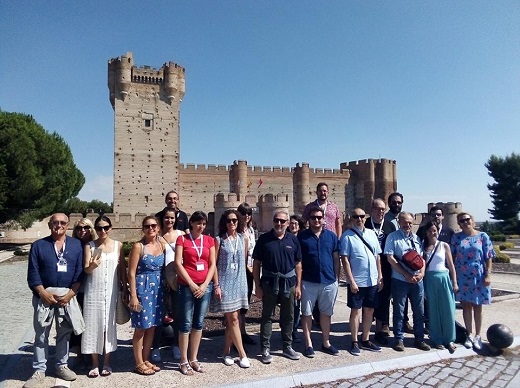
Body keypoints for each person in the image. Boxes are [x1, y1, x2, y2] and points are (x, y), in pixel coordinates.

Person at [25, 213, 84, 388]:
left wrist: (70, 295)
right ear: (50, 224)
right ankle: (39, 370)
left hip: (66, 297)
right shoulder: (38, 246)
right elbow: (33, 273)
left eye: (63, 222)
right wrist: (42, 293)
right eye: (55, 222)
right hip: (44, 296)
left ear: (68, 225)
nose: (59, 225)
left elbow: (80, 272)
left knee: (64, 334)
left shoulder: (76, 245)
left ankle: (61, 366)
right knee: (41, 334)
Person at [253, 210, 302, 364]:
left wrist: (298, 285)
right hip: (269, 283)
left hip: (289, 284)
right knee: (267, 316)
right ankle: (265, 349)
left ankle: (287, 347)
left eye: (282, 221)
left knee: (288, 316)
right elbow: (256, 263)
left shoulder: (293, 240)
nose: (279, 223)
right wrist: (257, 286)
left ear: (288, 223)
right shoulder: (264, 239)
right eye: (276, 220)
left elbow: (298, 264)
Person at [81, 215, 126, 377]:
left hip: (112, 292)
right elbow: (86, 269)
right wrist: (92, 265)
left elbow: (121, 269)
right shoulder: (90, 246)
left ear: (111, 228)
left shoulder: (118, 246)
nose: (103, 231)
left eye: (106, 227)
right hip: (93, 292)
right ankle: (94, 364)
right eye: (99, 228)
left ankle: (107, 362)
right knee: (93, 326)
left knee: (109, 326)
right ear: (96, 229)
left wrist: (125, 290)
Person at [173, 211, 216, 375]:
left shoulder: (209, 240)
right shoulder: (182, 239)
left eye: (204, 224)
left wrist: (205, 285)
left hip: (204, 287)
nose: (201, 226)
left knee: (198, 323)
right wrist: (191, 284)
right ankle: (183, 360)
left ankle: (194, 358)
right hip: (186, 286)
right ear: (191, 223)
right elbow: (178, 263)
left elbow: (212, 264)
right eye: (198, 223)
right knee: (185, 323)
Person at [384, 212, 430, 352]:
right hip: (400, 280)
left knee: (419, 311)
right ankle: (398, 339)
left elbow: (422, 258)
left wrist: (421, 273)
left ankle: (419, 339)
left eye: (410, 222)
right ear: (399, 222)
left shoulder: (416, 238)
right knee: (399, 310)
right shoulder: (393, 238)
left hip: (417, 280)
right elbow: (390, 258)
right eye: (405, 222)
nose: (407, 225)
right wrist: (405, 274)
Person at [210, 210, 251, 368]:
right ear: (224, 223)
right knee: (234, 319)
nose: (232, 223)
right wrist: (216, 285)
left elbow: (244, 260)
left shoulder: (243, 238)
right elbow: (213, 264)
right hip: (225, 284)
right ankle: (242, 354)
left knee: (231, 320)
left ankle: (226, 352)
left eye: (234, 220)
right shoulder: (219, 240)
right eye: (228, 220)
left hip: (239, 283)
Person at [340, 208, 383, 356]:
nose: (359, 219)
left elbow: (377, 257)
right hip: (357, 281)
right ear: (351, 219)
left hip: (372, 279)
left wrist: (380, 276)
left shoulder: (372, 234)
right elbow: (344, 260)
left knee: (370, 310)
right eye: (356, 216)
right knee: (355, 311)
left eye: (362, 216)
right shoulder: (347, 236)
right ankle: (354, 341)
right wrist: (350, 280)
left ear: (365, 218)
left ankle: (365, 339)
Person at [298, 207, 340, 358]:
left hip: (328, 281)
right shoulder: (302, 238)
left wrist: (336, 279)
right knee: (307, 313)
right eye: (313, 218)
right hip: (308, 281)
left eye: (319, 217)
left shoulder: (331, 236)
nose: (316, 220)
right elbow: (299, 262)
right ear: (309, 220)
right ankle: (308, 344)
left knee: (326, 313)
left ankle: (326, 342)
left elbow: (336, 258)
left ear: (323, 220)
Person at [451, 212, 495, 351]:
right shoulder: (456, 237)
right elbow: (451, 257)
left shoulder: (482, 237)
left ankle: (478, 335)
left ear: (472, 220)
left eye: (467, 219)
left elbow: (488, 257)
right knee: (466, 306)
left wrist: (488, 274)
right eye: (461, 221)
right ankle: (469, 334)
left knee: (478, 306)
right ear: (458, 224)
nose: (465, 222)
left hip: (479, 276)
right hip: (463, 276)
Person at [128, 216, 166, 376]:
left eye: (153, 226)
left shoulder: (162, 245)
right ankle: (138, 363)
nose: (150, 228)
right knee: (141, 328)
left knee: (152, 327)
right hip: (143, 289)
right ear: (143, 229)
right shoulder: (138, 246)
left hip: (158, 290)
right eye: (147, 226)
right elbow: (131, 273)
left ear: (158, 228)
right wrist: (134, 296)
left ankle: (145, 359)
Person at [154, 209, 185, 362]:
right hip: (161, 280)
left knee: (178, 314)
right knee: (159, 314)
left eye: (172, 218)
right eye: (167, 218)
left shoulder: (181, 235)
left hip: (178, 279)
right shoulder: (157, 237)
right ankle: (155, 347)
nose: (169, 221)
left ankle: (176, 345)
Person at [422, 221, 458, 353]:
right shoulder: (423, 247)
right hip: (430, 279)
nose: (433, 233)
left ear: (438, 231)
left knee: (448, 309)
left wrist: (454, 282)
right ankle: (437, 338)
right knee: (434, 310)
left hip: (444, 278)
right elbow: (423, 268)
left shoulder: (444, 246)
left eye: (435, 230)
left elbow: (451, 265)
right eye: (430, 231)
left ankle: (450, 339)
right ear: (426, 233)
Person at [365, 198, 395, 345]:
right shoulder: (365, 224)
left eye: (383, 209)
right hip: (367, 268)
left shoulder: (389, 226)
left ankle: (380, 331)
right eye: (378, 209)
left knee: (383, 299)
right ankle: (365, 332)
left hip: (386, 268)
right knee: (369, 299)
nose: (380, 212)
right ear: (372, 209)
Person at [69, 219, 97, 356]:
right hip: (77, 290)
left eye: (86, 227)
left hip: (93, 289)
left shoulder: (96, 245)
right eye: (79, 228)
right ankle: (79, 354)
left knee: (91, 322)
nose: (83, 230)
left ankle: (91, 353)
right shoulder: (71, 246)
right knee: (77, 321)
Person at [237, 202, 257, 345]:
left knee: (245, 305)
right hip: (239, 271)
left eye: (249, 213)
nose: (246, 216)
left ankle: (242, 334)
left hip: (250, 271)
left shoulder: (251, 231)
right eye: (243, 213)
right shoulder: (235, 230)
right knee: (237, 305)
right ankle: (236, 335)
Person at [289, 214, 306, 343]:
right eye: (291, 223)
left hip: (301, 275)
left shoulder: (302, 239)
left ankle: (294, 329)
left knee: (297, 304)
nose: (293, 225)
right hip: (289, 276)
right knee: (289, 305)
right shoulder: (285, 238)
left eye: (295, 223)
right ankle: (289, 330)